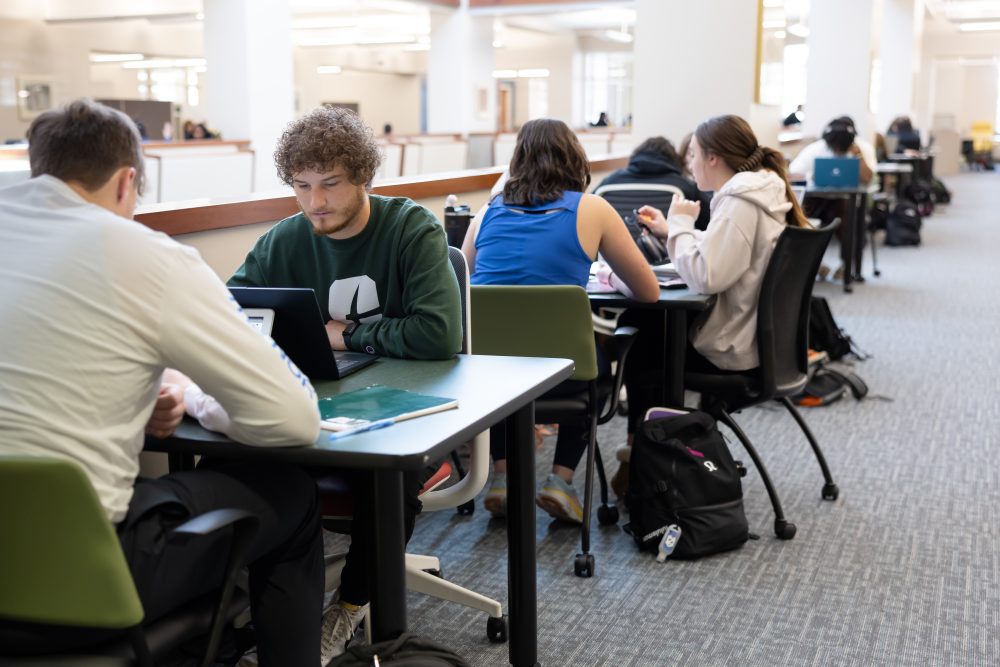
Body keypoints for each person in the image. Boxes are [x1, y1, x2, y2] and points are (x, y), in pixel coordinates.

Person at [0, 99, 324, 665]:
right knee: (291, 491)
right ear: (128, 182)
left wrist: (137, 386)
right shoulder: (148, 257)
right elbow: (293, 418)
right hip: (80, 586)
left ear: (37, 169)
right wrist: (193, 395)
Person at [228, 105, 462, 660]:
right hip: (318, 409)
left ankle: (350, 606)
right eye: (302, 186)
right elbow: (229, 310)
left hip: (410, 411)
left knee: (388, 480)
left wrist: (347, 335)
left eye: (330, 184)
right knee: (239, 461)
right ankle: (261, 612)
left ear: (363, 176)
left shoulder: (409, 228)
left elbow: (438, 334)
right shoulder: (283, 241)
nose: (316, 203)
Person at [461, 118, 658, 523]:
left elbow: (461, 278)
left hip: (491, 374)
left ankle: (502, 479)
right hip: (563, 374)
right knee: (595, 369)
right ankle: (561, 482)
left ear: (517, 161)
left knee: (500, 360)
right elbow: (649, 291)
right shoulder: (593, 209)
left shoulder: (487, 212)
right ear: (575, 159)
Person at [612, 114, 812, 497]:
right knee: (649, 326)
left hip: (733, 347)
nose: (689, 163)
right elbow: (728, 252)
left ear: (714, 158)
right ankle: (645, 450)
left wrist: (683, 226)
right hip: (766, 344)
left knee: (639, 332)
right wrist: (673, 231)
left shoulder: (739, 200)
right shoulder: (761, 192)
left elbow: (707, 276)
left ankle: (645, 453)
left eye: (693, 154)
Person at [788, 115, 875, 277]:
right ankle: (813, 264)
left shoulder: (863, 149)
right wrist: (810, 177)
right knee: (798, 217)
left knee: (848, 220)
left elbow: (868, 180)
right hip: (815, 199)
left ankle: (847, 266)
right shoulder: (816, 149)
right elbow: (792, 174)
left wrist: (859, 157)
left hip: (845, 201)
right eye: (833, 147)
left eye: (840, 148)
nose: (836, 151)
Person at [596, 135, 712, 231]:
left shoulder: (609, 182)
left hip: (612, 256)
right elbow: (710, 225)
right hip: (667, 256)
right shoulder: (685, 185)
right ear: (674, 160)